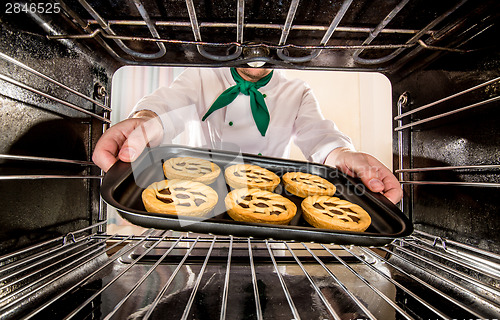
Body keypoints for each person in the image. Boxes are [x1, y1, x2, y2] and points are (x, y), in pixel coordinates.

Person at [93, 67, 402, 204]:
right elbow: (166, 105)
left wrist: (345, 155)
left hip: (268, 207)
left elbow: (318, 136)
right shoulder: (200, 75)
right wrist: (143, 122)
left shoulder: (297, 91)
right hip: (202, 205)